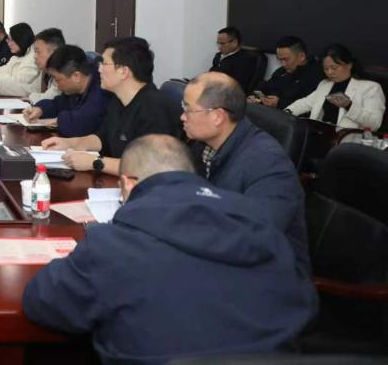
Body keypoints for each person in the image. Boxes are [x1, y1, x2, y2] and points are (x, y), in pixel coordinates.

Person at [22, 134, 316, 364]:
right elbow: (305, 302)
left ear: (127, 185)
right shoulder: (259, 223)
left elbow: (42, 302)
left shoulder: (113, 244)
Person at [182, 72, 310, 274]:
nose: (182, 117)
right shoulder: (203, 146)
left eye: (188, 109)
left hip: (267, 276)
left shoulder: (268, 163)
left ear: (217, 117)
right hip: (219, 256)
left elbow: (254, 240)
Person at [41, 37, 179, 175]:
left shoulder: (154, 107)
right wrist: (70, 144)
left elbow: (149, 166)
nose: (99, 69)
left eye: (105, 64)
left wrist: (95, 162)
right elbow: (102, 138)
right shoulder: (117, 100)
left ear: (123, 72)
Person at [286, 44, 386, 132]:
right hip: (318, 135)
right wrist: (287, 112)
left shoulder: (370, 88)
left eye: (334, 68)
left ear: (349, 65)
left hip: (347, 141)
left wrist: (349, 106)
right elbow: (305, 103)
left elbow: (374, 124)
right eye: (326, 69)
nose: (330, 72)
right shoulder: (325, 85)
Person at [22, 45, 110, 137]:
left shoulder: (101, 90)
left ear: (76, 76)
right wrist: (40, 109)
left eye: (57, 79)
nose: (55, 84)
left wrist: (58, 121)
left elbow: (82, 124)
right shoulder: (74, 91)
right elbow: (58, 104)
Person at [248, 36, 323, 110]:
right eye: (280, 60)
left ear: (301, 56)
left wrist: (279, 103)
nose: (283, 64)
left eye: (286, 60)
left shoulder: (315, 75)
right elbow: (266, 86)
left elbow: (308, 105)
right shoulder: (281, 71)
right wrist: (254, 96)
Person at [209, 26, 255, 91]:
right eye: (218, 43)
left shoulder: (244, 60)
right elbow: (211, 73)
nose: (219, 47)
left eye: (222, 43)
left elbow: (237, 85)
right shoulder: (218, 56)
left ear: (234, 43)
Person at [27, 28, 65, 104]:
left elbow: (48, 99)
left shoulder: (63, 72)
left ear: (54, 53)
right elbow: (35, 89)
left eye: (38, 52)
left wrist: (32, 97)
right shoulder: (46, 72)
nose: (35, 56)